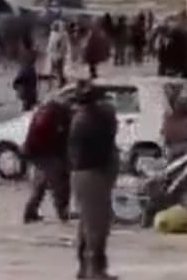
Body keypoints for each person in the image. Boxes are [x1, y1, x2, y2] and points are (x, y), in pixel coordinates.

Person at [68, 81, 119, 280]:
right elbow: (106, 145)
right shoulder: (91, 120)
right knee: (96, 226)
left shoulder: (82, 118)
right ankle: (94, 270)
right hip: (92, 174)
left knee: (88, 223)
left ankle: (86, 268)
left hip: (86, 174)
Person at [22, 95, 73, 223]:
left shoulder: (43, 111)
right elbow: (64, 139)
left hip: (35, 153)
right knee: (60, 184)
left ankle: (30, 212)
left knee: (41, 183)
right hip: (48, 154)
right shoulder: (61, 115)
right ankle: (63, 213)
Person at [13, 48, 40, 113]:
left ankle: (27, 108)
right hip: (27, 92)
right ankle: (27, 108)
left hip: (29, 92)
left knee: (30, 105)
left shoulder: (29, 68)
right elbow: (18, 79)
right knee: (29, 105)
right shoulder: (27, 69)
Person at [46, 21, 70, 89]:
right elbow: (52, 45)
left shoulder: (59, 35)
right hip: (56, 55)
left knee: (57, 69)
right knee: (57, 69)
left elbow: (56, 46)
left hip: (57, 55)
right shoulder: (57, 34)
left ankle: (58, 83)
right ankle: (56, 83)